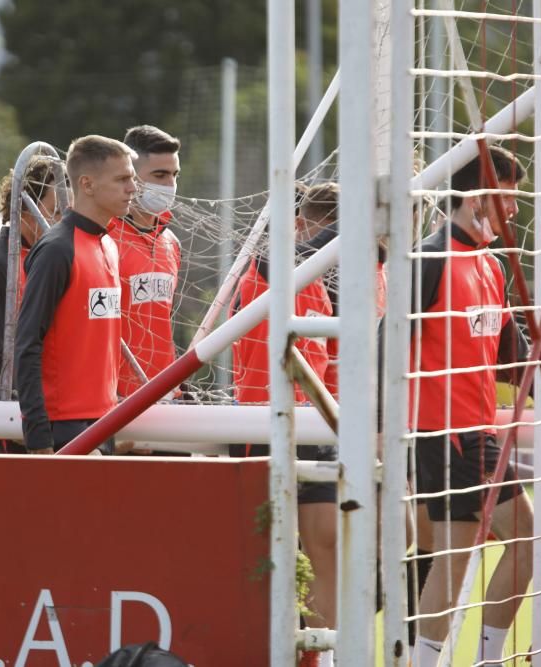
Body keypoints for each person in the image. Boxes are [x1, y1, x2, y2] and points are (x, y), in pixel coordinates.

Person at [409, 145, 533, 666]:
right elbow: (383, 347)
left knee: (528, 540)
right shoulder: (431, 258)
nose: (516, 211)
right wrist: (381, 431)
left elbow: (512, 356)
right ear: (478, 196)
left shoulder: (490, 265)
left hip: (479, 432)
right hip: (439, 435)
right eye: (509, 198)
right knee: (454, 560)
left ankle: (488, 658)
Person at [228, 182, 336, 666]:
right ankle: (270, 652)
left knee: (326, 547)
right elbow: (281, 253)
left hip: (315, 429)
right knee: (271, 556)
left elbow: (327, 363)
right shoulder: (267, 272)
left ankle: (326, 656)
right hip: (264, 431)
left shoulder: (315, 281)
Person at [15, 135, 137, 454]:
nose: (132, 189)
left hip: (103, 422)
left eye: (132, 179)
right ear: (87, 184)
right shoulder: (57, 249)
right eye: (122, 179)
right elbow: (27, 343)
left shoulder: (108, 244)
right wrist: (38, 435)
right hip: (63, 427)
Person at [0, 156, 60, 454]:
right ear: (26, 210)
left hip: (43, 416)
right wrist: (18, 418)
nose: (61, 220)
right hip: (8, 426)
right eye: (55, 212)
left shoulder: (49, 259)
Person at [106, 125, 183, 456]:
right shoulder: (104, 238)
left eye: (174, 175)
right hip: (117, 404)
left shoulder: (171, 243)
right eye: (160, 175)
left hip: (167, 400)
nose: (170, 185)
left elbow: (160, 322)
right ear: (131, 179)